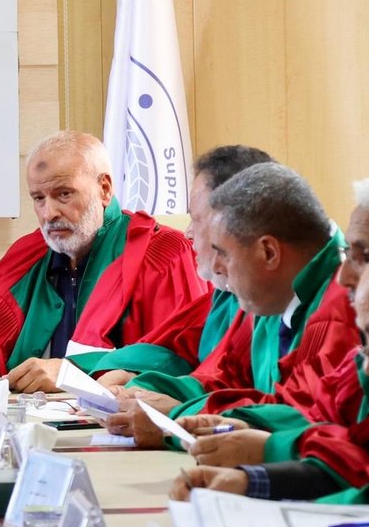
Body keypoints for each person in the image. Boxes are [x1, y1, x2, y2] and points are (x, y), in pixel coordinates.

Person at [173, 171, 369, 480]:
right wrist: (245, 426)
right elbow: (316, 409)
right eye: (348, 254)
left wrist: (270, 454)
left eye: (363, 257)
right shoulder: (361, 351)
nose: (344, 276)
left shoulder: (340, 314)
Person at [0, 130, 205, 382]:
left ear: (104, 189)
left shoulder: (163, 254)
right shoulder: (27, 256)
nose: (49, 213)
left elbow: (179, 356)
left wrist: (74, 373)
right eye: (39, 198)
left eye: (64, 194)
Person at [114, 163, 356, 450]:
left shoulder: (341, 307)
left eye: (223, 253)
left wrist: (176, 419)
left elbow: (304, 415)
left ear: (269, 252)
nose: (217, 267)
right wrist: (141, 392)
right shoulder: (272, 292)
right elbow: (226, 378)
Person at [70, 145, 271, 389]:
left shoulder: (278, 303)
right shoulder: (228, 293)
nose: (188, 233)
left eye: (197, 219)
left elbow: (234, 390)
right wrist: (128, 372)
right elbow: (176, 346)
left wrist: (170, 396)